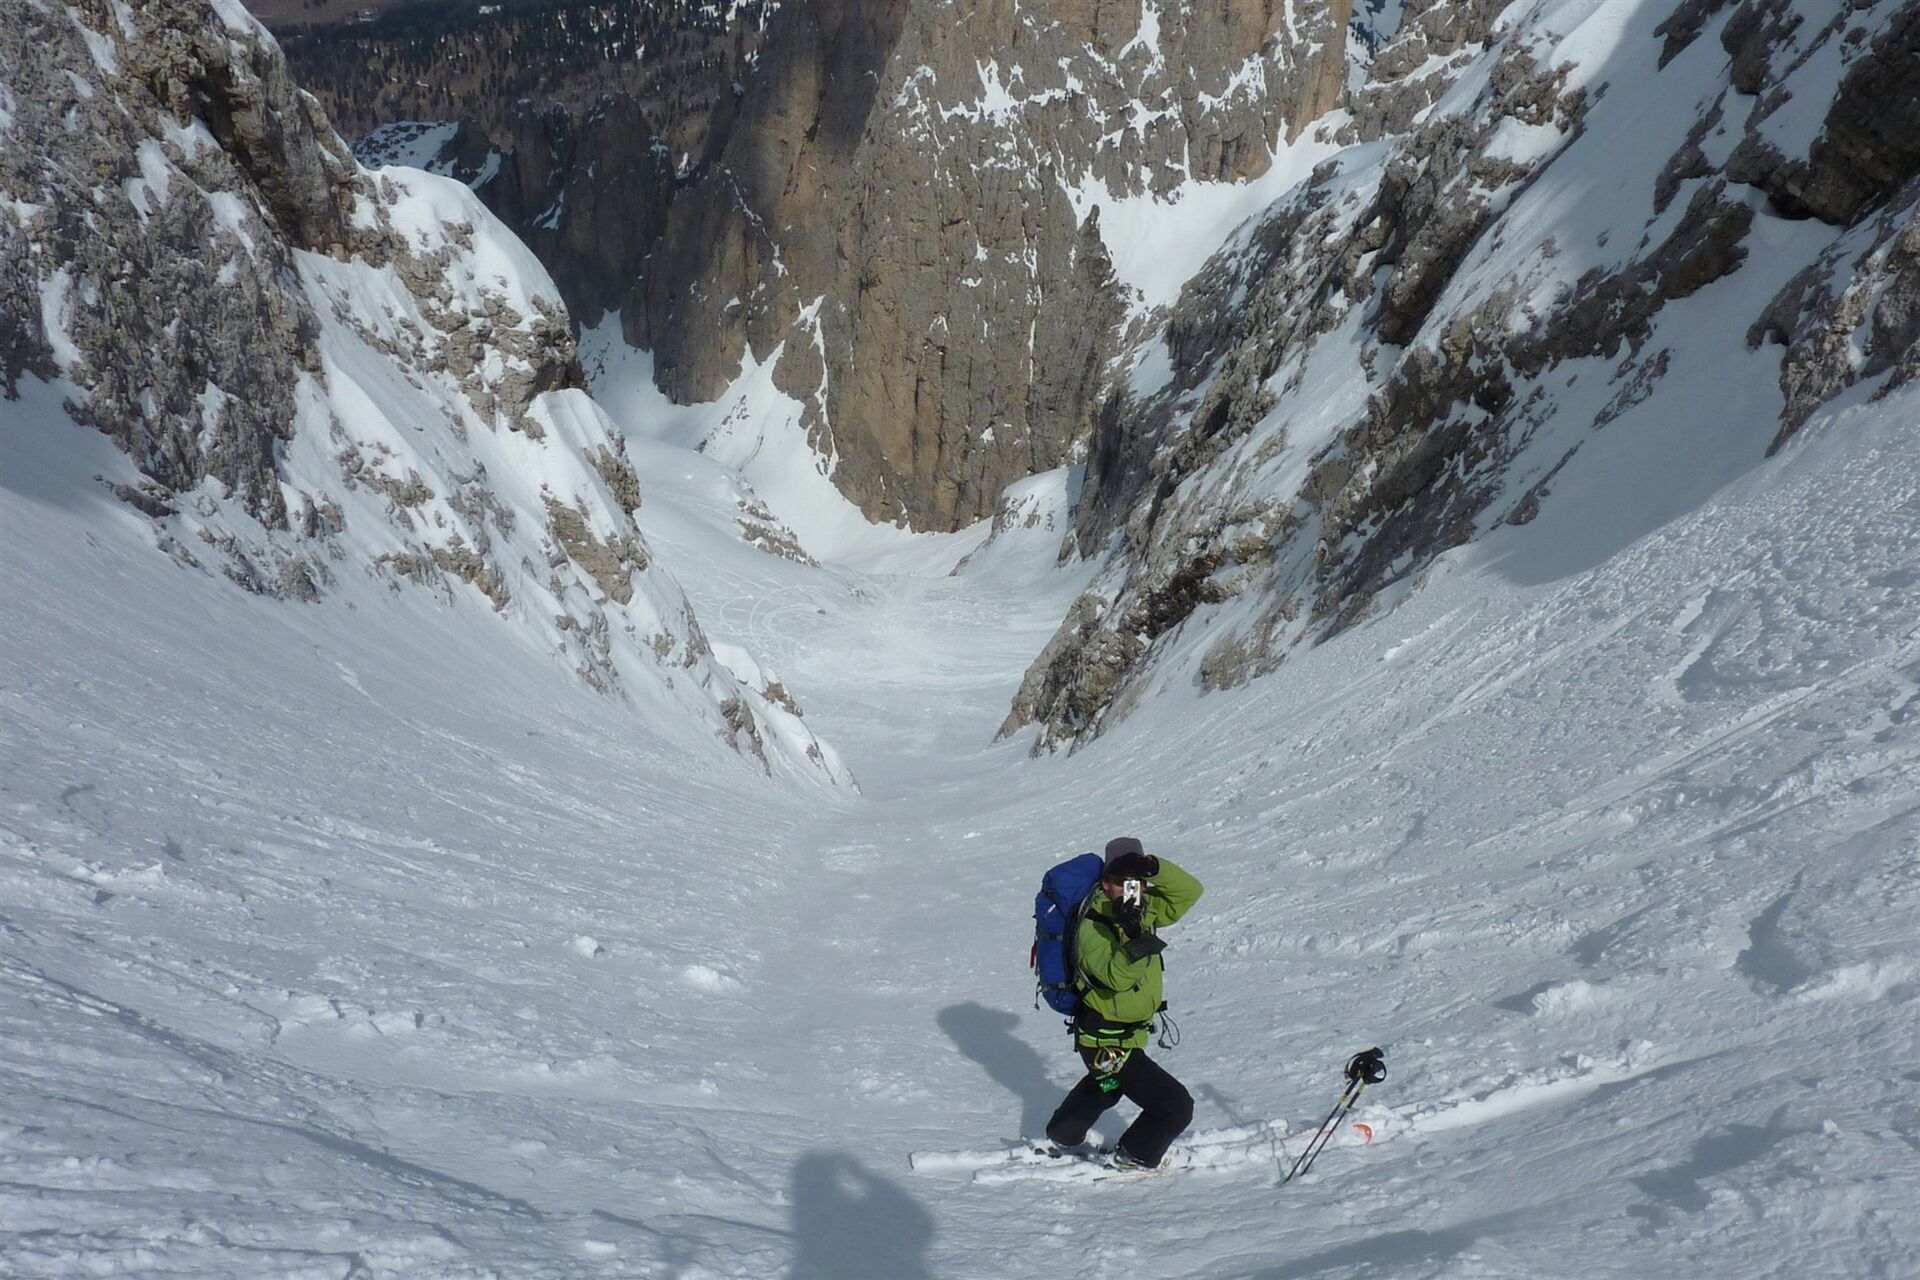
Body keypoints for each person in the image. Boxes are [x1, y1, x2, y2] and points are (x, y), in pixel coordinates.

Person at [1043, 835, 1203, 1169]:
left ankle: (1063, 1133)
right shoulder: (1092, 924)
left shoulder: (1144, 909)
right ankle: (1133, 1156)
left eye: (1138, 881)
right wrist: (1134, 936)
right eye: (1120, 882)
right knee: (1174, 1106)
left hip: (1127, 1035)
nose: (1131, 889)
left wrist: (1155, 867)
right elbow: (1118, 979)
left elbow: (1190, 892)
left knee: (1108, 1085)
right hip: (1104, 1040)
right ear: (1105, 883)